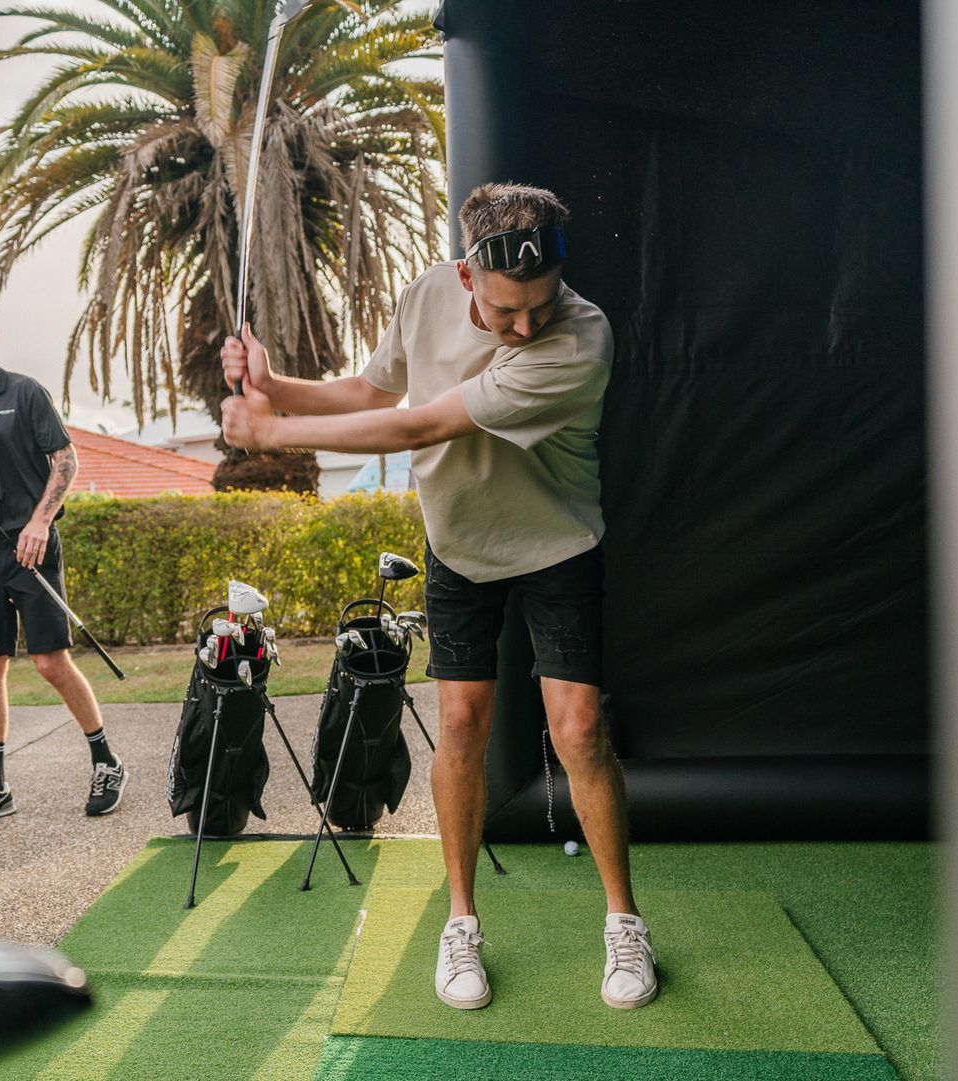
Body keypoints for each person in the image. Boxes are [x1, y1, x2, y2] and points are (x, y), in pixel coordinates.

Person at [219, 183, 656, 1011]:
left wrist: (272, 431)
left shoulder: (581, 335)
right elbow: (370, 393)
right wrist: (280, 384)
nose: (525, 325)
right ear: (465, 278)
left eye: (540, 304)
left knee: (580, 728)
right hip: (458, 543)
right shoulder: (425, 293)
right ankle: (461, 921)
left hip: (555, 541)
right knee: (459, 724)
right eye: (505, 309)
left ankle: (623, 920)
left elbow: (419, 427)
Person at [0, 301, 128, 826]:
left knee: (49, 662)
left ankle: (107, 763)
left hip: (33, 543)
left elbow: (66, 461)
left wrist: (40, 522)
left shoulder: (25, 392)